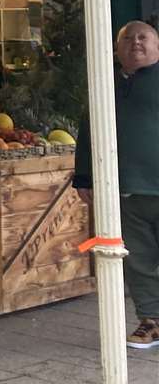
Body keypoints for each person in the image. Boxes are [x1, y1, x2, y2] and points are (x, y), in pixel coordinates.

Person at [74, 21, 159, 348]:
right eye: (127, 39)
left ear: (156, 46)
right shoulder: (104, 84)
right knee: (138, 260)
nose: (135, 43)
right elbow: (88, 129)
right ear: (116, 47)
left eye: (143, 38)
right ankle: (151, 320)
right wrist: (83, 176)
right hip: (125, 189)